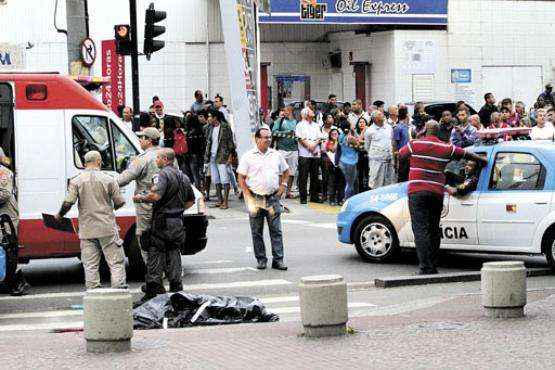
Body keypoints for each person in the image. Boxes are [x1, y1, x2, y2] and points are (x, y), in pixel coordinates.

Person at [398, 121, 487, 275]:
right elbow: (465, 154)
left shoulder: (414, 144)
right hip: (436, 192)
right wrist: (482, 161)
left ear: (425, 129)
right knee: (433, 228)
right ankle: (432, 264)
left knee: (420, 229)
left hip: (417, 191)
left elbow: (400, 155)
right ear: (438, 132)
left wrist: (417, 140)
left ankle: (426, 267)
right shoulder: (446, 147)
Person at [56, 151, 127, 290]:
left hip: (87, 229)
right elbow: (120, 202)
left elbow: (68, 202)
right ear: (99, 161)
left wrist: (59, 215)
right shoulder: (109, 179)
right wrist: (108, 209)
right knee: (115, 262)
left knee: (90, 265)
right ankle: (119, 291)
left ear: (84, 163)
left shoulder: (76, 181)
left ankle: (94, 293)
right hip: (107, 228)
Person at [133, 148, 195, 302]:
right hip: (178, 222)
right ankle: (176, 288)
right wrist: (178, 210)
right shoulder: (183, 177)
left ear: (166, 159)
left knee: (155, 252)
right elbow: (191, 201)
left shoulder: (163, 174)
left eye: (159, 158)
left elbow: (155, 195)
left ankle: (153, 290)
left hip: (162, 221)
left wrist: (140, 198)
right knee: (174, 252)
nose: (156, 160)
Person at [237, 128, 289, 271]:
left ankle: (278, 260)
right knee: (256, 231)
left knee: (276, 231)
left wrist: (282, 186)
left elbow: (286, 171)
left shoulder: (276, 155)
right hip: (255, 198)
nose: (268, 140)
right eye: (265, 137)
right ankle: (261, 259)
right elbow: (241, 176)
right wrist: (247, 195)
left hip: (273, 198)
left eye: (269, 137)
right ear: (257, 139)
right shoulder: (248, 156)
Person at [117, 127, 161, 266]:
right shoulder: (167, 156)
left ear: (149, 140)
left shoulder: (143, 159)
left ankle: (153, 271)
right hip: (164, 205)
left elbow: (125, 178)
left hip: (146, 206)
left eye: (142, 137)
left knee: (145, 239)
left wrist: (107, 184)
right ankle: (165, 269)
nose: (140, 140)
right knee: (162, 238)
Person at [204, 109, 236, 209]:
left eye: (210, 116)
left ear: (215, 117)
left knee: (224, 179)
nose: (208, 118)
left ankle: (225, 202)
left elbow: (230, 142)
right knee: (215, 179)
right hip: (212, 156)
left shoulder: (225, 127)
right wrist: (206, 158)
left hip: (223, 156)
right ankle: (220, 200)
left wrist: (230, 156)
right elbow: (208, 143)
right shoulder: (209, 128)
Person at [295, 108, 326, 204]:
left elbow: (320, 137)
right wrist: (309, 146)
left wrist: (314, 146)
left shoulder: (316, 125)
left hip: (315, 154)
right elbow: (299, 138)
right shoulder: (300, 125)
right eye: (310, 111)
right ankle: (303, 197)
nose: (313, 112)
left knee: (314, 176)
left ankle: (314, 196)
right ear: (305, 114)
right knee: (303, 177)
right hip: (304, 154)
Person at [271, 105, 298, 199]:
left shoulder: (296, 122)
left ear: (290, 111)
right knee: (280, 172)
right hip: (282, 149)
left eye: (285, 110)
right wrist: (286, 133)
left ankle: (288, 191)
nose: (283, 112)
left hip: (294, 149)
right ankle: (279, 190)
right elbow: (274, 132)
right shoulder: (280, 121)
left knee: (292, 172)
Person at [365, 111, 396, 189]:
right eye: (380, 114)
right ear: (374, 118)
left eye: (382, 114)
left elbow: (392, 141)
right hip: (376, 161)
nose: (382, 115)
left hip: (389, 159)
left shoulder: (389, 127)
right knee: (376, 182)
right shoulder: (369, 130)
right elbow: (367, 146)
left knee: (389, 182)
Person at [324, 128, 345, 205]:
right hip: (332, 165)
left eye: (336, 134)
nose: (334, 135)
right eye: (332, 134)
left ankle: (340, 199)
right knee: (332, 182)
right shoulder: (328, 142)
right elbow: (333, 149)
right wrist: (336, 141)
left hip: (341, 165)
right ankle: (332, 200)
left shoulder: (342, 142)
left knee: (341, 183)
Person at [338, 126, 359, 200]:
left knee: (351, 182)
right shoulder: (345, 138)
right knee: (349, 183)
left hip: (350, 163)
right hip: (347, 163)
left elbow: (358, 144)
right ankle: (346, 198)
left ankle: (348, 198)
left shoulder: (344, 137)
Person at [393, 107, 411, 182]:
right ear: (406, 115)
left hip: (408, 155)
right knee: (402, 177)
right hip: (401, 156)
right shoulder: (398, 128)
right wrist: (395, 159)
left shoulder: (406, 127)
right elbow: (395, 143)